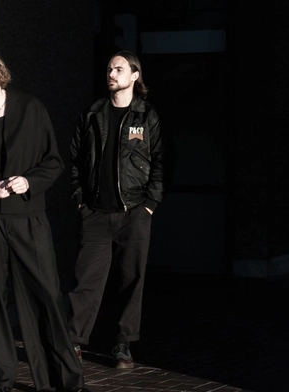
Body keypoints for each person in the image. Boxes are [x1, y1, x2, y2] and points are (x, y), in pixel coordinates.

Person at [0, 47, 104, 392]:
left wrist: (28, 182)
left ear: (1, 72)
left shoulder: (30, 109)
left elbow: (53, 161)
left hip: (28, 219)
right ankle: (2, 380)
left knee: (47, 295)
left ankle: (68, 382)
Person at [67, 51, 165, 369]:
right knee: (86, 281)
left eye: (119, 68)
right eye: (109, 68)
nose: (111, 73)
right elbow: (74, 160)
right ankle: (73, 342)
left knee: (130, 279)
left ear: (134, 76)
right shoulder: (93, 113)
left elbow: (161, 161)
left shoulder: (146, 116)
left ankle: (122, 344)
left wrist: (150, 204)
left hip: (134, 212)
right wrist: (80, 200)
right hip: (95, 212)